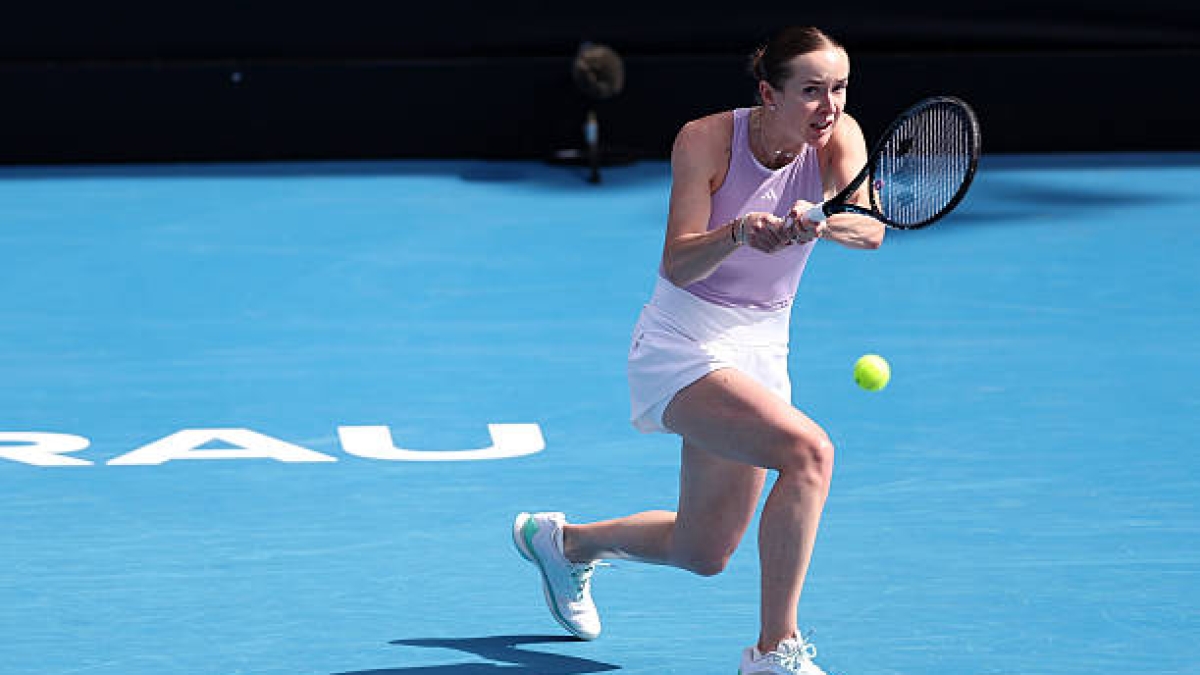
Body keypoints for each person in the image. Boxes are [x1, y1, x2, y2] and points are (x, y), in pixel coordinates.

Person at [513, 26, 884, 675]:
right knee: (810, 453)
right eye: (812, 91)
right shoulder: (706, 138)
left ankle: (563, 542)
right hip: (684, 340)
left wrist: (817, 218)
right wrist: (740, 231)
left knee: (704, 548)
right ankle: (773, 653)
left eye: (840, 88)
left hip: (764, 347)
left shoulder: (839, 139)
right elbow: (680, 261)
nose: (830, 106)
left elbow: (871, 227)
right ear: (769, 92)